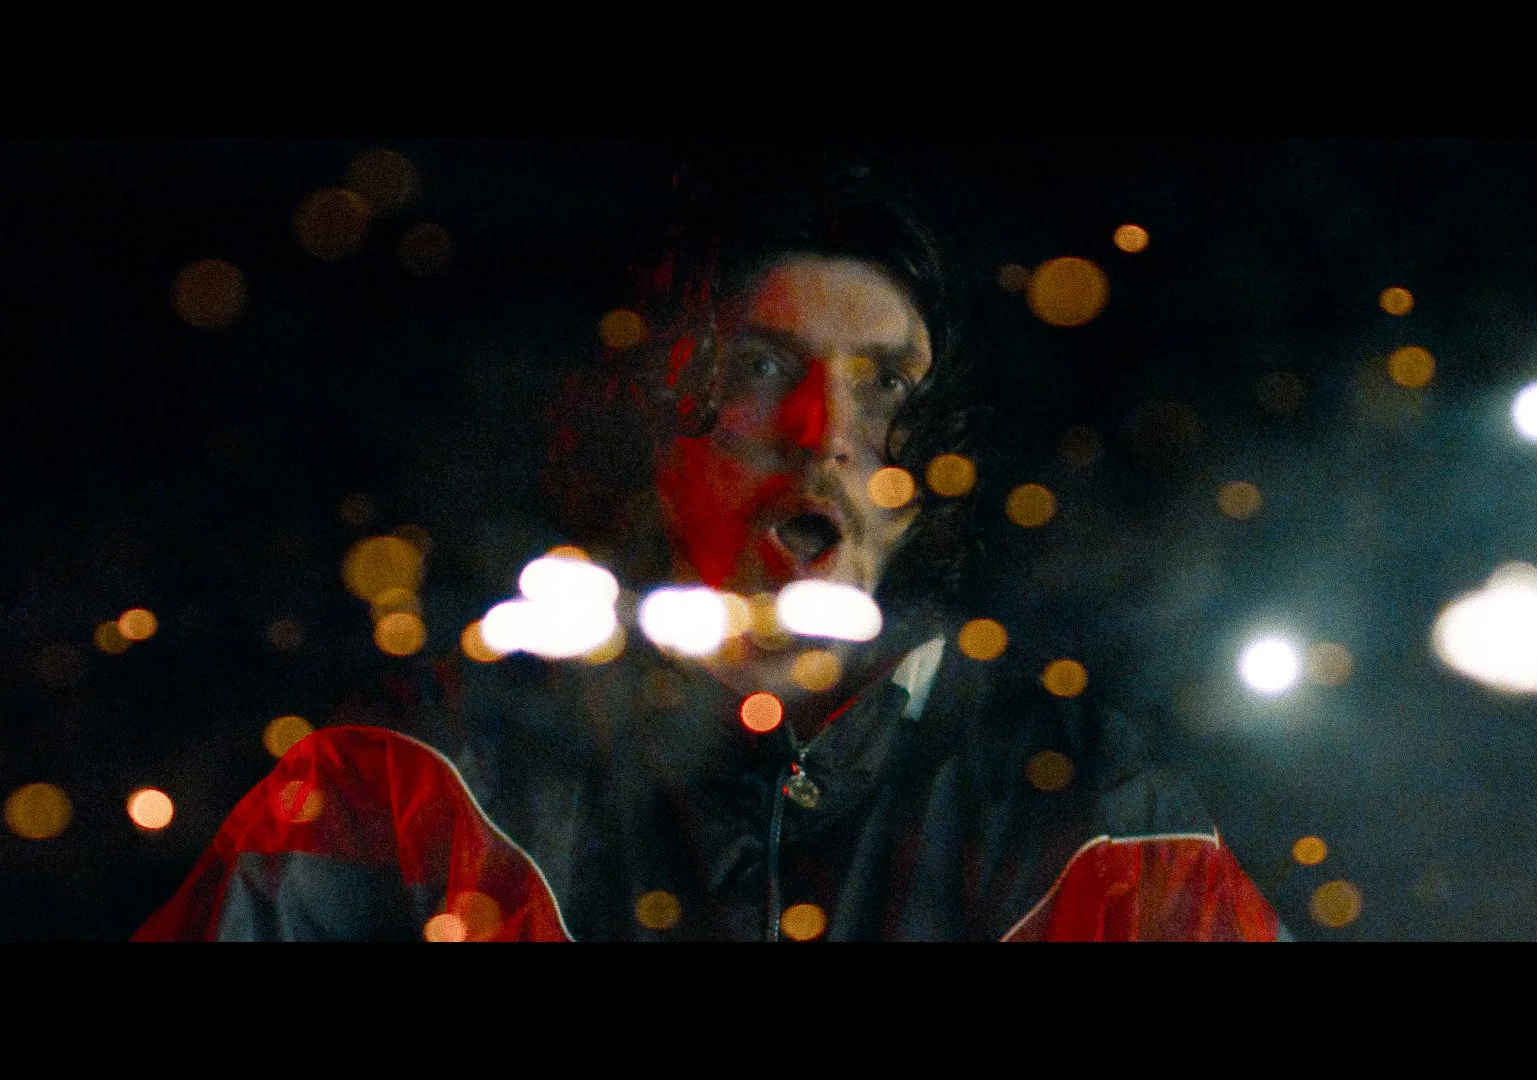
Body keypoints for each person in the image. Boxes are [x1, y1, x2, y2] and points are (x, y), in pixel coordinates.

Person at [136, 157, 1281, 942]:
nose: (823, 434)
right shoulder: (411, 785)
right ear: (653, 420)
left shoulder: (1093, 819)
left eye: (886, 384)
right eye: (763, 368)